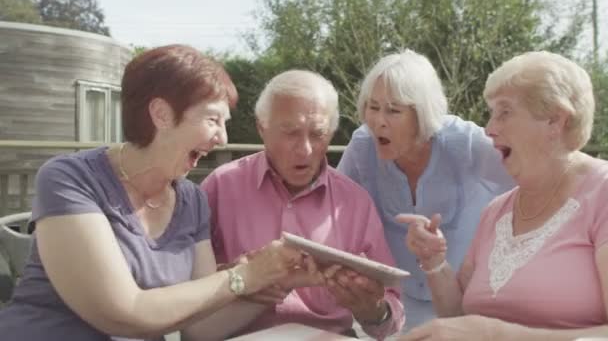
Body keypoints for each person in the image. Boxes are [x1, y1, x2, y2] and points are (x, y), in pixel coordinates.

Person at [0, 45, 307, 341]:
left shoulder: (192, 200)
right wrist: (245, 276)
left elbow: (199, 328)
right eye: (213, 120)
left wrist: (272, 281)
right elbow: (123, 313)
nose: (223, 139)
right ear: (161, 114)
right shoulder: (69, 178)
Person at [401, 51, 608, 340]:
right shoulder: (496, 211)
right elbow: (459, 320)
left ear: (555, 121)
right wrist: (434, 262)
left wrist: (497, 334)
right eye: (491, 113)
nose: (489, 129)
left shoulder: (602, 192)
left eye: (505, 112)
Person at [200, 69, 405, 339]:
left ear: (331, 133)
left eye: (318, 133)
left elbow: (391, 310)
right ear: (262, 127)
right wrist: (242, 276)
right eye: (291, 132)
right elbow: (190, 288)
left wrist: (373, 311)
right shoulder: (220, 187)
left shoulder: (354, 202)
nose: (305, 149)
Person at [337, 50, 514, 329]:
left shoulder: (468, 145)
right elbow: (333, 214)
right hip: (397, 310)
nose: (378, 121)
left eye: (393, 110)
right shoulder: (362, 147)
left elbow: (534, 180)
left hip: (470, 307)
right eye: (372, 106)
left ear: (422, 114)